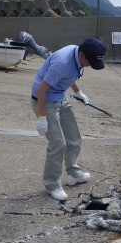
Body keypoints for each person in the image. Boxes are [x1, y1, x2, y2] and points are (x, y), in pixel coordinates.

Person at [31, 38, 107, 200]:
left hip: (60, 97)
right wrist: (42, 118)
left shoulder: (76, 55)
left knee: (74, 138)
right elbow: (42, 89)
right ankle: (52, 183)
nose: (88, 66)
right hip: (44, 100)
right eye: (89, 62)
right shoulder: (62, 63)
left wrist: (78, 92)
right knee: (58, 143)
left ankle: (73, 174)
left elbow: (70, 74)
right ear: (82, 55)